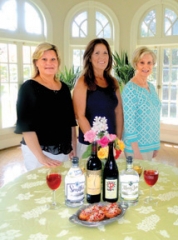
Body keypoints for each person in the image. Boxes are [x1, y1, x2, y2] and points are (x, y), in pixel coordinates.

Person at [15, 42, 77, 171]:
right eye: (44, 59)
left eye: (53, 59)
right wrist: (41, 157)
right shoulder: (28, 88)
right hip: (38, 154)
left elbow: (70, 122)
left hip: (64, 152)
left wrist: (73, 148)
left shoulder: (64, 88)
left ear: (58, 62)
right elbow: (27, 128)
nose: (49, 63)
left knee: (60, 189)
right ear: (36, 63)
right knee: (39, 190)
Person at [73, 38, 123, 158]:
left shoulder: (113, 81)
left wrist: (118, 141)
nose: (102, 57)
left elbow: (118, 112)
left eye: (105, 53)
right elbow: (80, 116)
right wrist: (96, 144)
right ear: (89, 57)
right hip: (90, 146)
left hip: (111, 144)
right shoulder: (83, 81)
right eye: (97, 53)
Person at [122, 46, 161, 161]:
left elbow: (155, 117)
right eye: (142, 62)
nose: (146, 66)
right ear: (136, 64)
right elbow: (129, 123)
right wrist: (136, 151)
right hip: (136, 148)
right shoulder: (130, 89)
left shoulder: (152, 87)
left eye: (149, 63)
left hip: (150, 144)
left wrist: (156, 144)